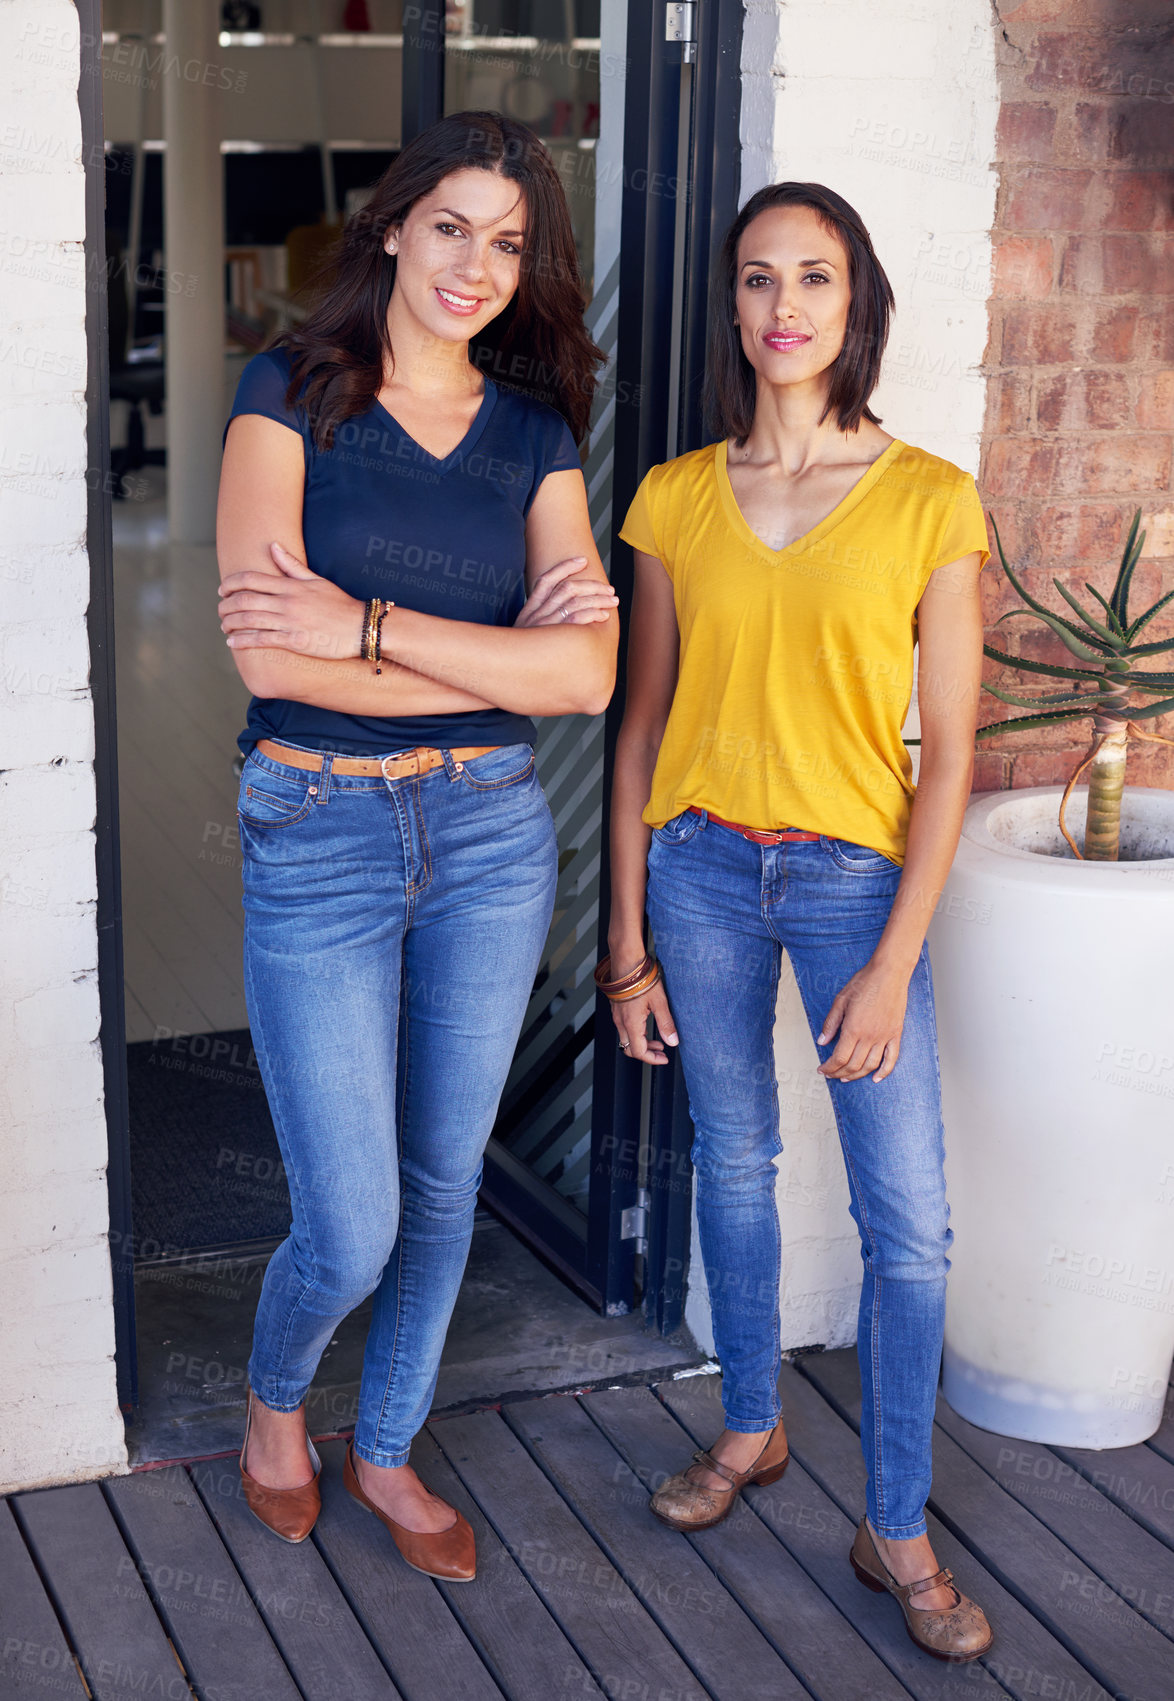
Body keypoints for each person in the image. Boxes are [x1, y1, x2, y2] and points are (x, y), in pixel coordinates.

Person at [216, 111, 617, 1579]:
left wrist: (371, 626)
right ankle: (274, 1407)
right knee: (355, 1213)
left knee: (447, 1180)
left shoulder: (533, 430)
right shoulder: (290, 392)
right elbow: (274, 656)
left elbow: (584, 678)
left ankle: (381, 1445)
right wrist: (501, 651)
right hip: (317, 820)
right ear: (392, 226)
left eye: (507, 243)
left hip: (492, 834)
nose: (476, 264)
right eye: (451, 226)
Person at [601, 182, 993, 1662]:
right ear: (736, 304)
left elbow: (948, 748)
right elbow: (640, 723)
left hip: (848, 883)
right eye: (758, 280)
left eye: (811, 279)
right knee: (737, 1163)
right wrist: (622, 937)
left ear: (854, 302)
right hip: (698, 865)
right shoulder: (675, 495)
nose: (782, 307)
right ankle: (752, 1427)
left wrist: (892, 958)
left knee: (908, 1227)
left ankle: (893, 1519)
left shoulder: (927, 495)